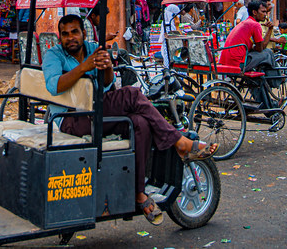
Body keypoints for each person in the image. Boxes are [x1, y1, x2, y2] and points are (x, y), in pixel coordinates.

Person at [43, 14, 216, 225]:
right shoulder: (54, 54)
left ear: (83, 33)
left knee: (140, 123)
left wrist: (107, 67)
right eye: (65, 34)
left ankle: (138, 192)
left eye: (74, 32)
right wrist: (83, 67)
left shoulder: (92, 48)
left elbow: (106, 85)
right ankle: (179, 141)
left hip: (97, 111)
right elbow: (53, 86)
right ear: (60, 37)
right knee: (131, 95)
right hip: (70, 118)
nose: (70, 38)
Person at [157, 3, 181, 68]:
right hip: (171, 48)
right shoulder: (168, 24)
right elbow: (178, 36)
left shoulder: (167, 23)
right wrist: (177, 26)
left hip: (174, 49)